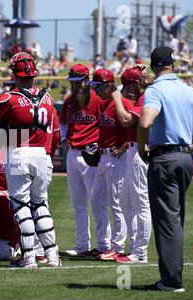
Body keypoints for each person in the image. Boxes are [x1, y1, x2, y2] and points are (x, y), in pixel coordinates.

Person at [0, 52, 60, 268]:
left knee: (21, 206)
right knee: (41, 204)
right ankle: (52, 255)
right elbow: (55, 133)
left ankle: (28, 257)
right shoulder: (49, 98)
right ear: (33, 74)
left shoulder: (9, 98)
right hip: (43, 156)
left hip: (19, 153)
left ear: (15, 74)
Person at [138, 47, 193, 292]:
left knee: (167, 221)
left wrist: (142, 150)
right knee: (175, 219)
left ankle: (172, 281)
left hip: (164, 158)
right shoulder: (190, 90)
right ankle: (172, 276)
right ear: (172, 65)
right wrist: (191, 148)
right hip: (184, 158)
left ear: (153, 67)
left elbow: (145, 121)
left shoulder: (156, 90)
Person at [59, 64, 104, 258]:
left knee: (97, 202)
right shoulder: (69, 101)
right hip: (73, 153)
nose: (75, 86)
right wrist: (62, 139)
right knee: (78, 203)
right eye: (72, 82)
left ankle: (104, 244)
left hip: (91, 153)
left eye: (78, 82)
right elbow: (62, 123)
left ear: (87, 81)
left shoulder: (98, 100)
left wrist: (101, 144)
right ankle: (82, 244)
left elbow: (108, 123)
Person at [88, 69, 134, 261]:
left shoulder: (123, 102)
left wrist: (124, 147)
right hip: (104, 157)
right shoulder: (105, 103)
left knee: (116, 203)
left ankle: (118, 247)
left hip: (117, 159)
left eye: (98, 87)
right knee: (96, 199)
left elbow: (134, 127)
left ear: (108, 86)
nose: (96, 91)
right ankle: (103, 244)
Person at [112, 66, 154, 264]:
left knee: (141, 202)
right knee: (125, 201)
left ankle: (140, 253)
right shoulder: (142, 97)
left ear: (136, 84)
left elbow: (126, 119)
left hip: (141, 148)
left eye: (129, 86)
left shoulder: (147, 97)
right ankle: (135, 247)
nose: (127, 90)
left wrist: (117, 99)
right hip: (132, 149)